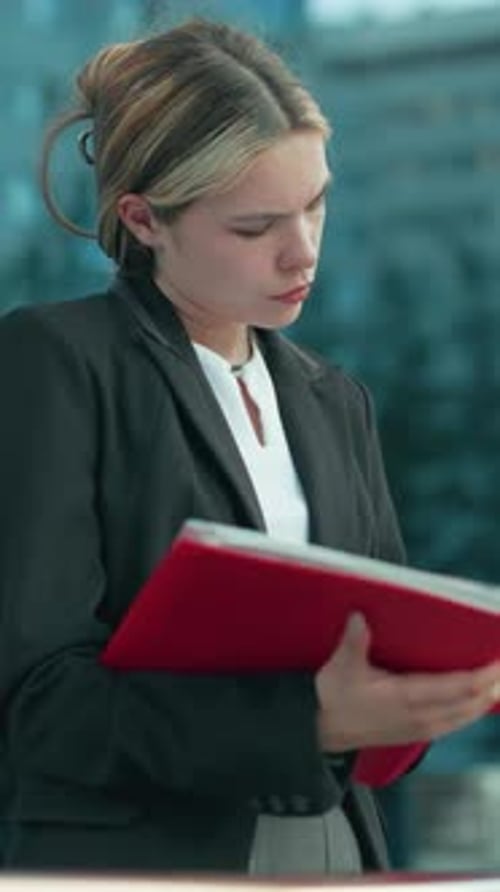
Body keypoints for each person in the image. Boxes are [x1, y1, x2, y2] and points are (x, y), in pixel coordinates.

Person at [0, 18, 499, 875]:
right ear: (144, 219)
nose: (302, 250)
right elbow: (36, 704)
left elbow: (383, 644)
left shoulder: (336, 400)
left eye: (316, 203)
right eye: (255, 226)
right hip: (146, 861)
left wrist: (423, 699)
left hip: (342, 841)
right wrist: (310, 720)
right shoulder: (55, 364)